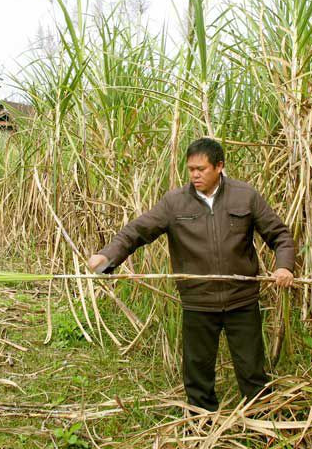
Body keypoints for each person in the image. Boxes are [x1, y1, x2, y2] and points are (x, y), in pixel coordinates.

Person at [88, 137, 295, 412]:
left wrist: (284, 266)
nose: (195, 175)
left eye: (202, 169)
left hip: (242, 301)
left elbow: (280, 234)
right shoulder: (175, 203)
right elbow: (136, 232)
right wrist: (107, 257)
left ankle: (260, 421)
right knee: (197, 373)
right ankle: (201, 422)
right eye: (191, 169)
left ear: (219, 166)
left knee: (252, 370)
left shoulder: (245, 196)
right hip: (198, 302)